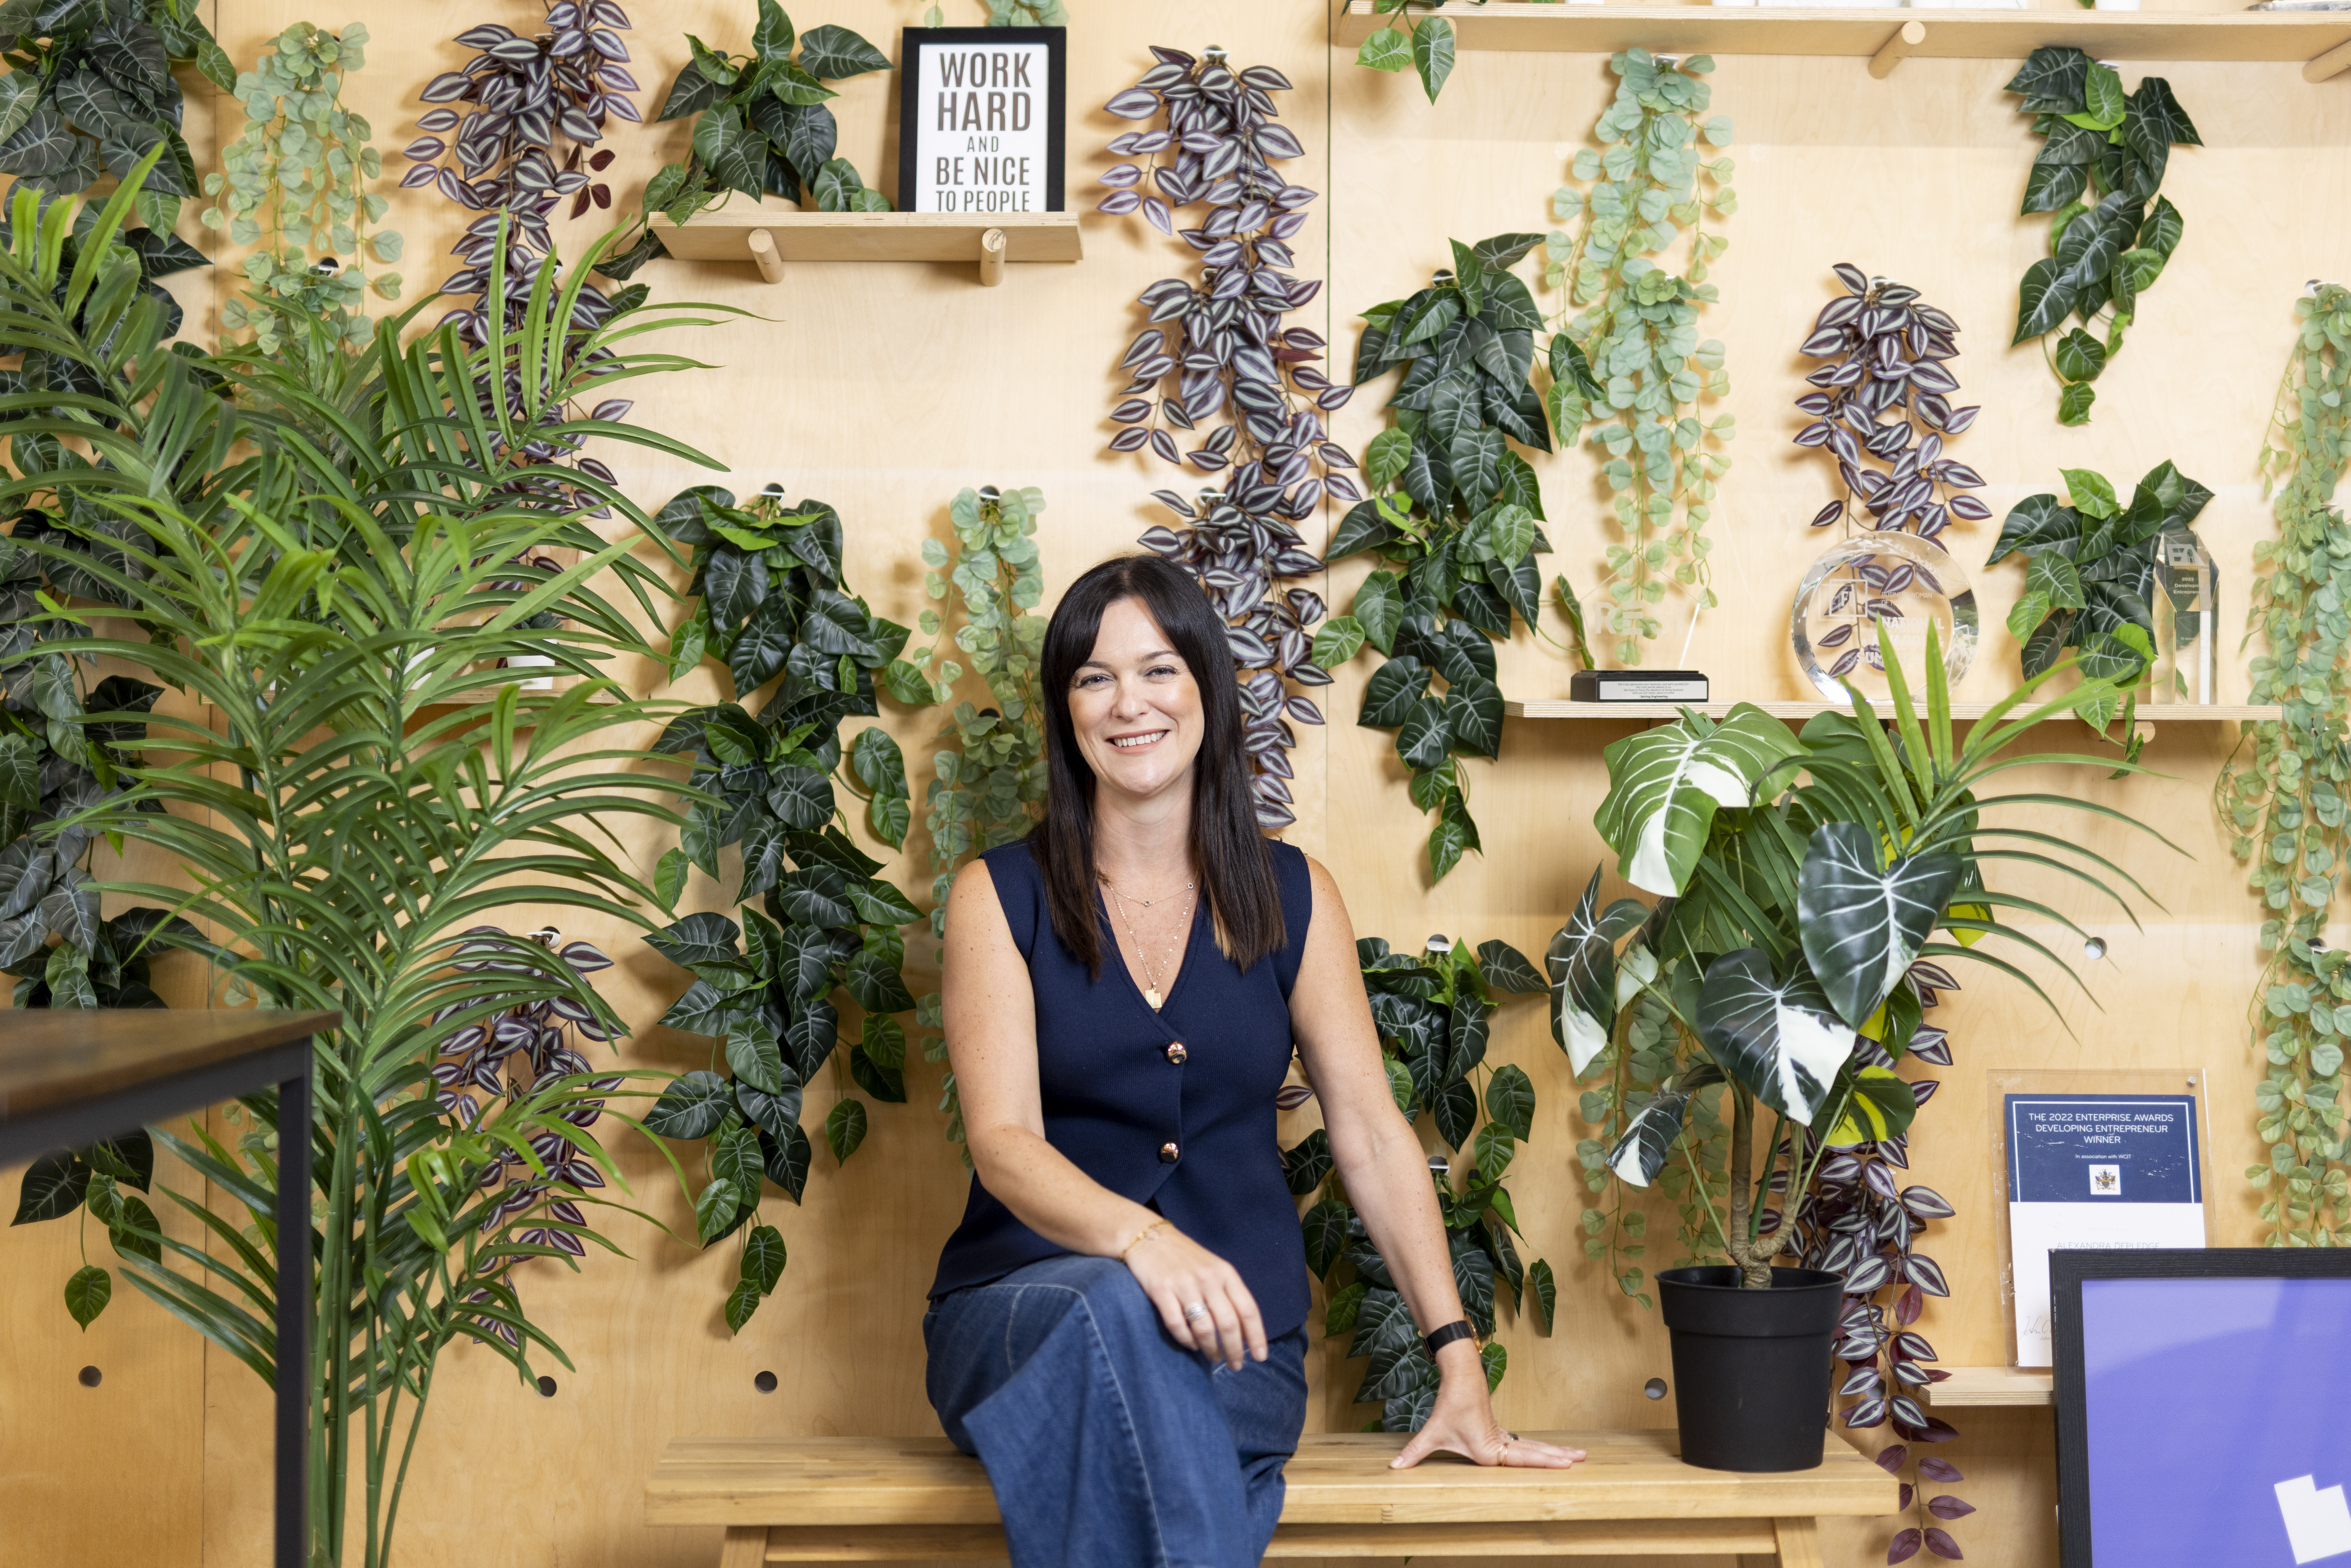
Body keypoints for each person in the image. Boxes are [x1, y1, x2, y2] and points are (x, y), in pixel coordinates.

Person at [924, 554, 1583, 1568]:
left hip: (1235, 1350)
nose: (1127, 703)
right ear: (1066, 712)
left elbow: (1366, 1131)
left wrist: (1457, 1357)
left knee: (1149, 1440)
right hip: (1022, 1323)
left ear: (1205, 690)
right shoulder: (998, 895)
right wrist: (1140, 1244)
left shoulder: (1290, 895)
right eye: (1093, 678)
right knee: (1110, 1316)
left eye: (1157, 671)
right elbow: (1004, 1143)